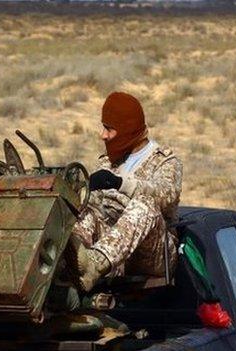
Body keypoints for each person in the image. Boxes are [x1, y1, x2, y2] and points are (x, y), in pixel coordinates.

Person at [67, 91, 183, 292]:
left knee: (144, 204)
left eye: (109, 129)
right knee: (87, 210)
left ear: (127, 129)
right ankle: (68, 260)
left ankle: (95, 263)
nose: (102, 135)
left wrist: (120, 183)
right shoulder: (108, 161)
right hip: (116, 247)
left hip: (154, 252)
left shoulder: (165, 162)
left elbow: (166, 195)